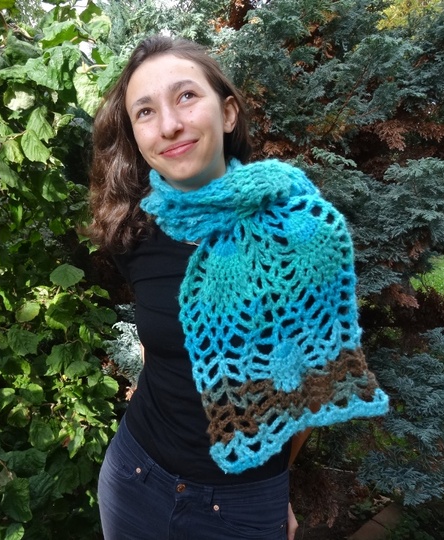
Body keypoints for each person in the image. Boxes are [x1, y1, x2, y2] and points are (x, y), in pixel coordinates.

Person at [89, 35, 389, 540]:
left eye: (186, 96)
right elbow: (161, 333)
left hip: (240, 507)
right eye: (145, 112)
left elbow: (310, 388)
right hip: (133, 477)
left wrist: (272, 490)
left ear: (227, 113)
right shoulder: (135, 230)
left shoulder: (299, 235)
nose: (169, 124)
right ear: (136, 136)